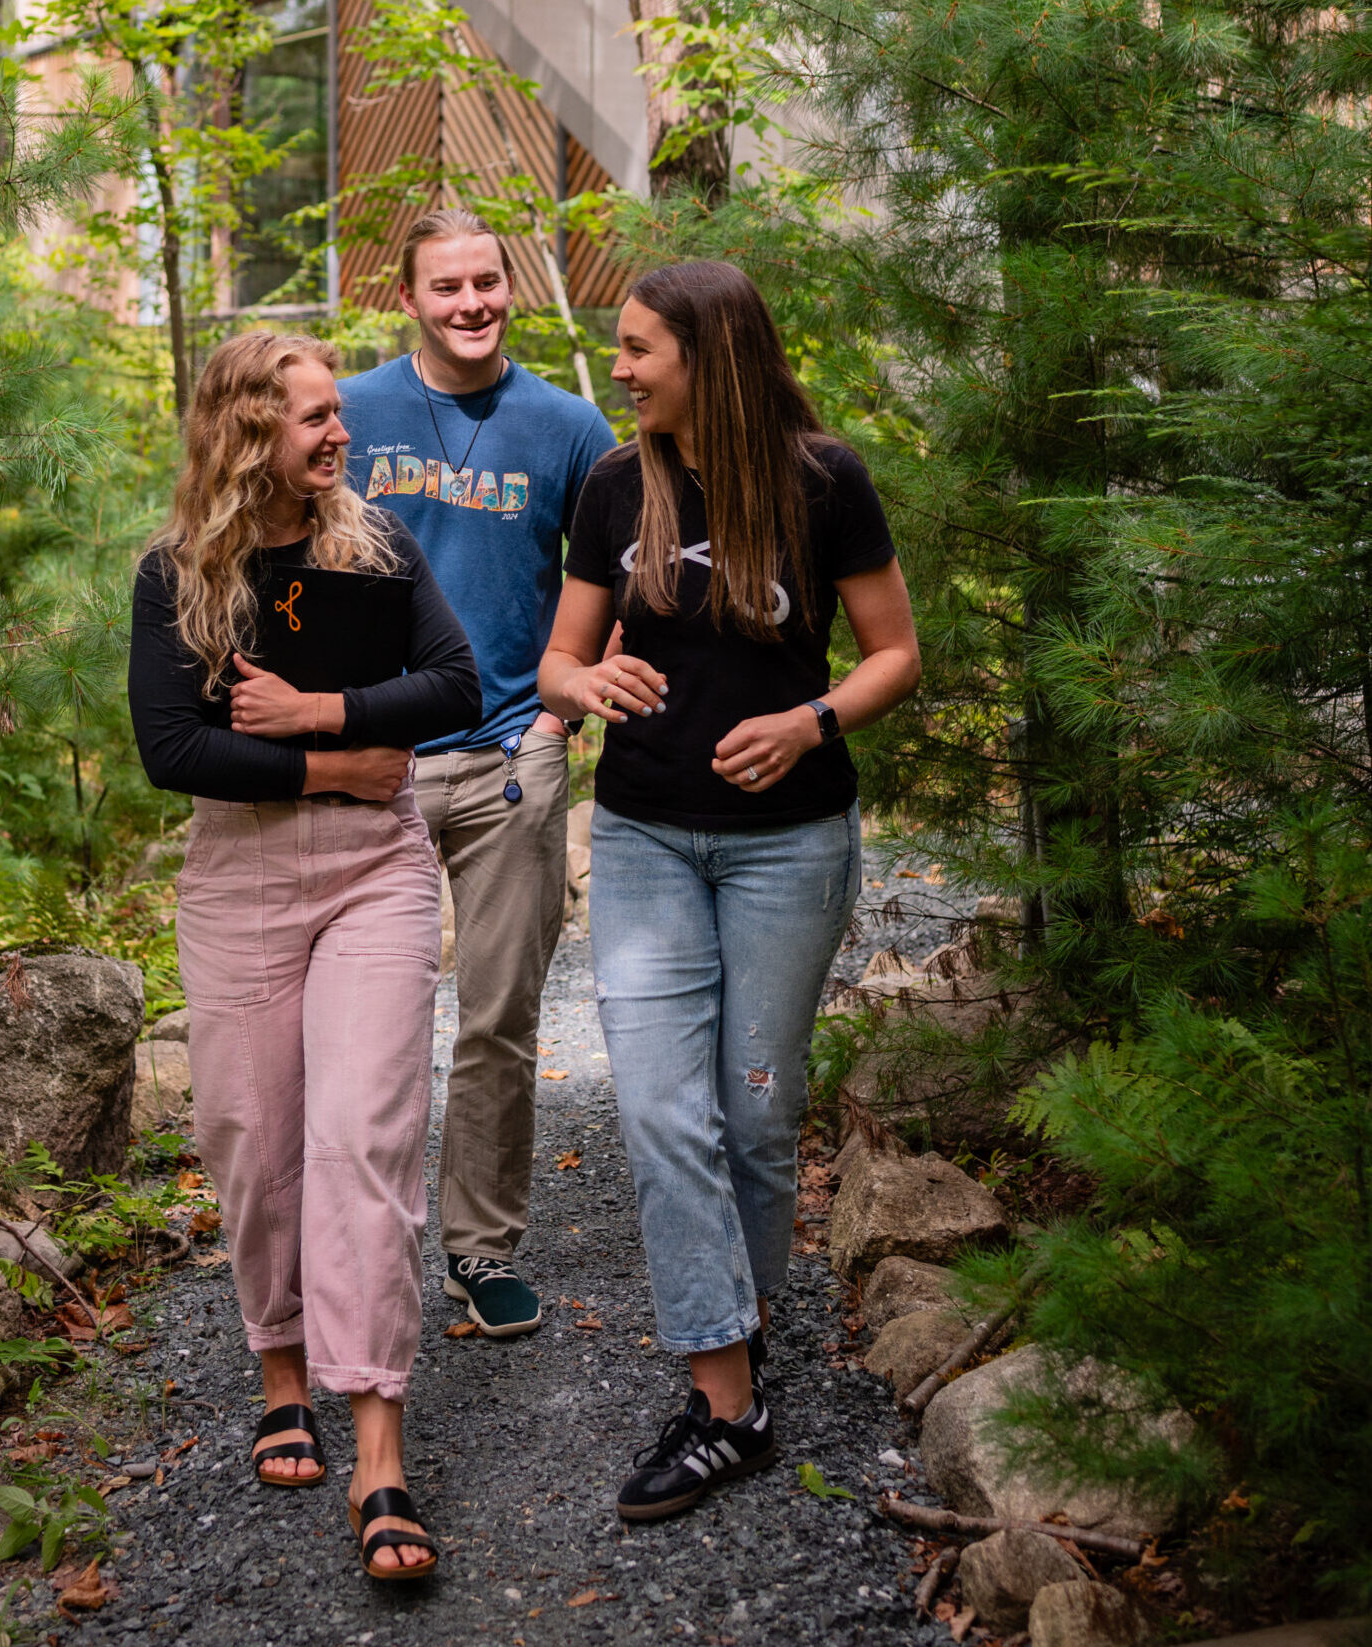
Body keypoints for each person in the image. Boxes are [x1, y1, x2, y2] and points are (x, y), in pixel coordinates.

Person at [538, 261, 921, 1522]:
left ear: (710, 353)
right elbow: (558, 662)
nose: (624, 368)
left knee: (756, 1118)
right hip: (645, 836)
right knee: (661, 1111)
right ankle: (725, 1399)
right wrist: (586, 689)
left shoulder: (824, 480)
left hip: (787, 846)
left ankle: (734, 1354)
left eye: (642, 348)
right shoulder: (611, 486)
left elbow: (893, 655)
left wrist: (809, 722)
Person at [130, 331, 481, 1579]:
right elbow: (170, 748)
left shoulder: (374, 542)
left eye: (338, 415)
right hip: (236, 880)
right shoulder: (176, 573)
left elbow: (455, 684)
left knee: (364, 1132)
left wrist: (322, 710)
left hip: (373, 872)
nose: (340, 436)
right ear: (245, 436)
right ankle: (281, 1367)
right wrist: (327, 761)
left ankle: (379, 1445)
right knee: (253, 1139)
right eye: (315, 421)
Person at [307, 209, 616, 1337]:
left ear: (510, 286)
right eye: (448, 287)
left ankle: (481, 1253)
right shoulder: (352, 408)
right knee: (368, 1029)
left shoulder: (570, 426)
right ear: (410, 298)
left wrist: (555, 721)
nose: (472, 303)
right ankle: (356, 1247)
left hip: (507, 764)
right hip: (370, 763)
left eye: (487, 281)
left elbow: (617, 590)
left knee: (496, 1020)